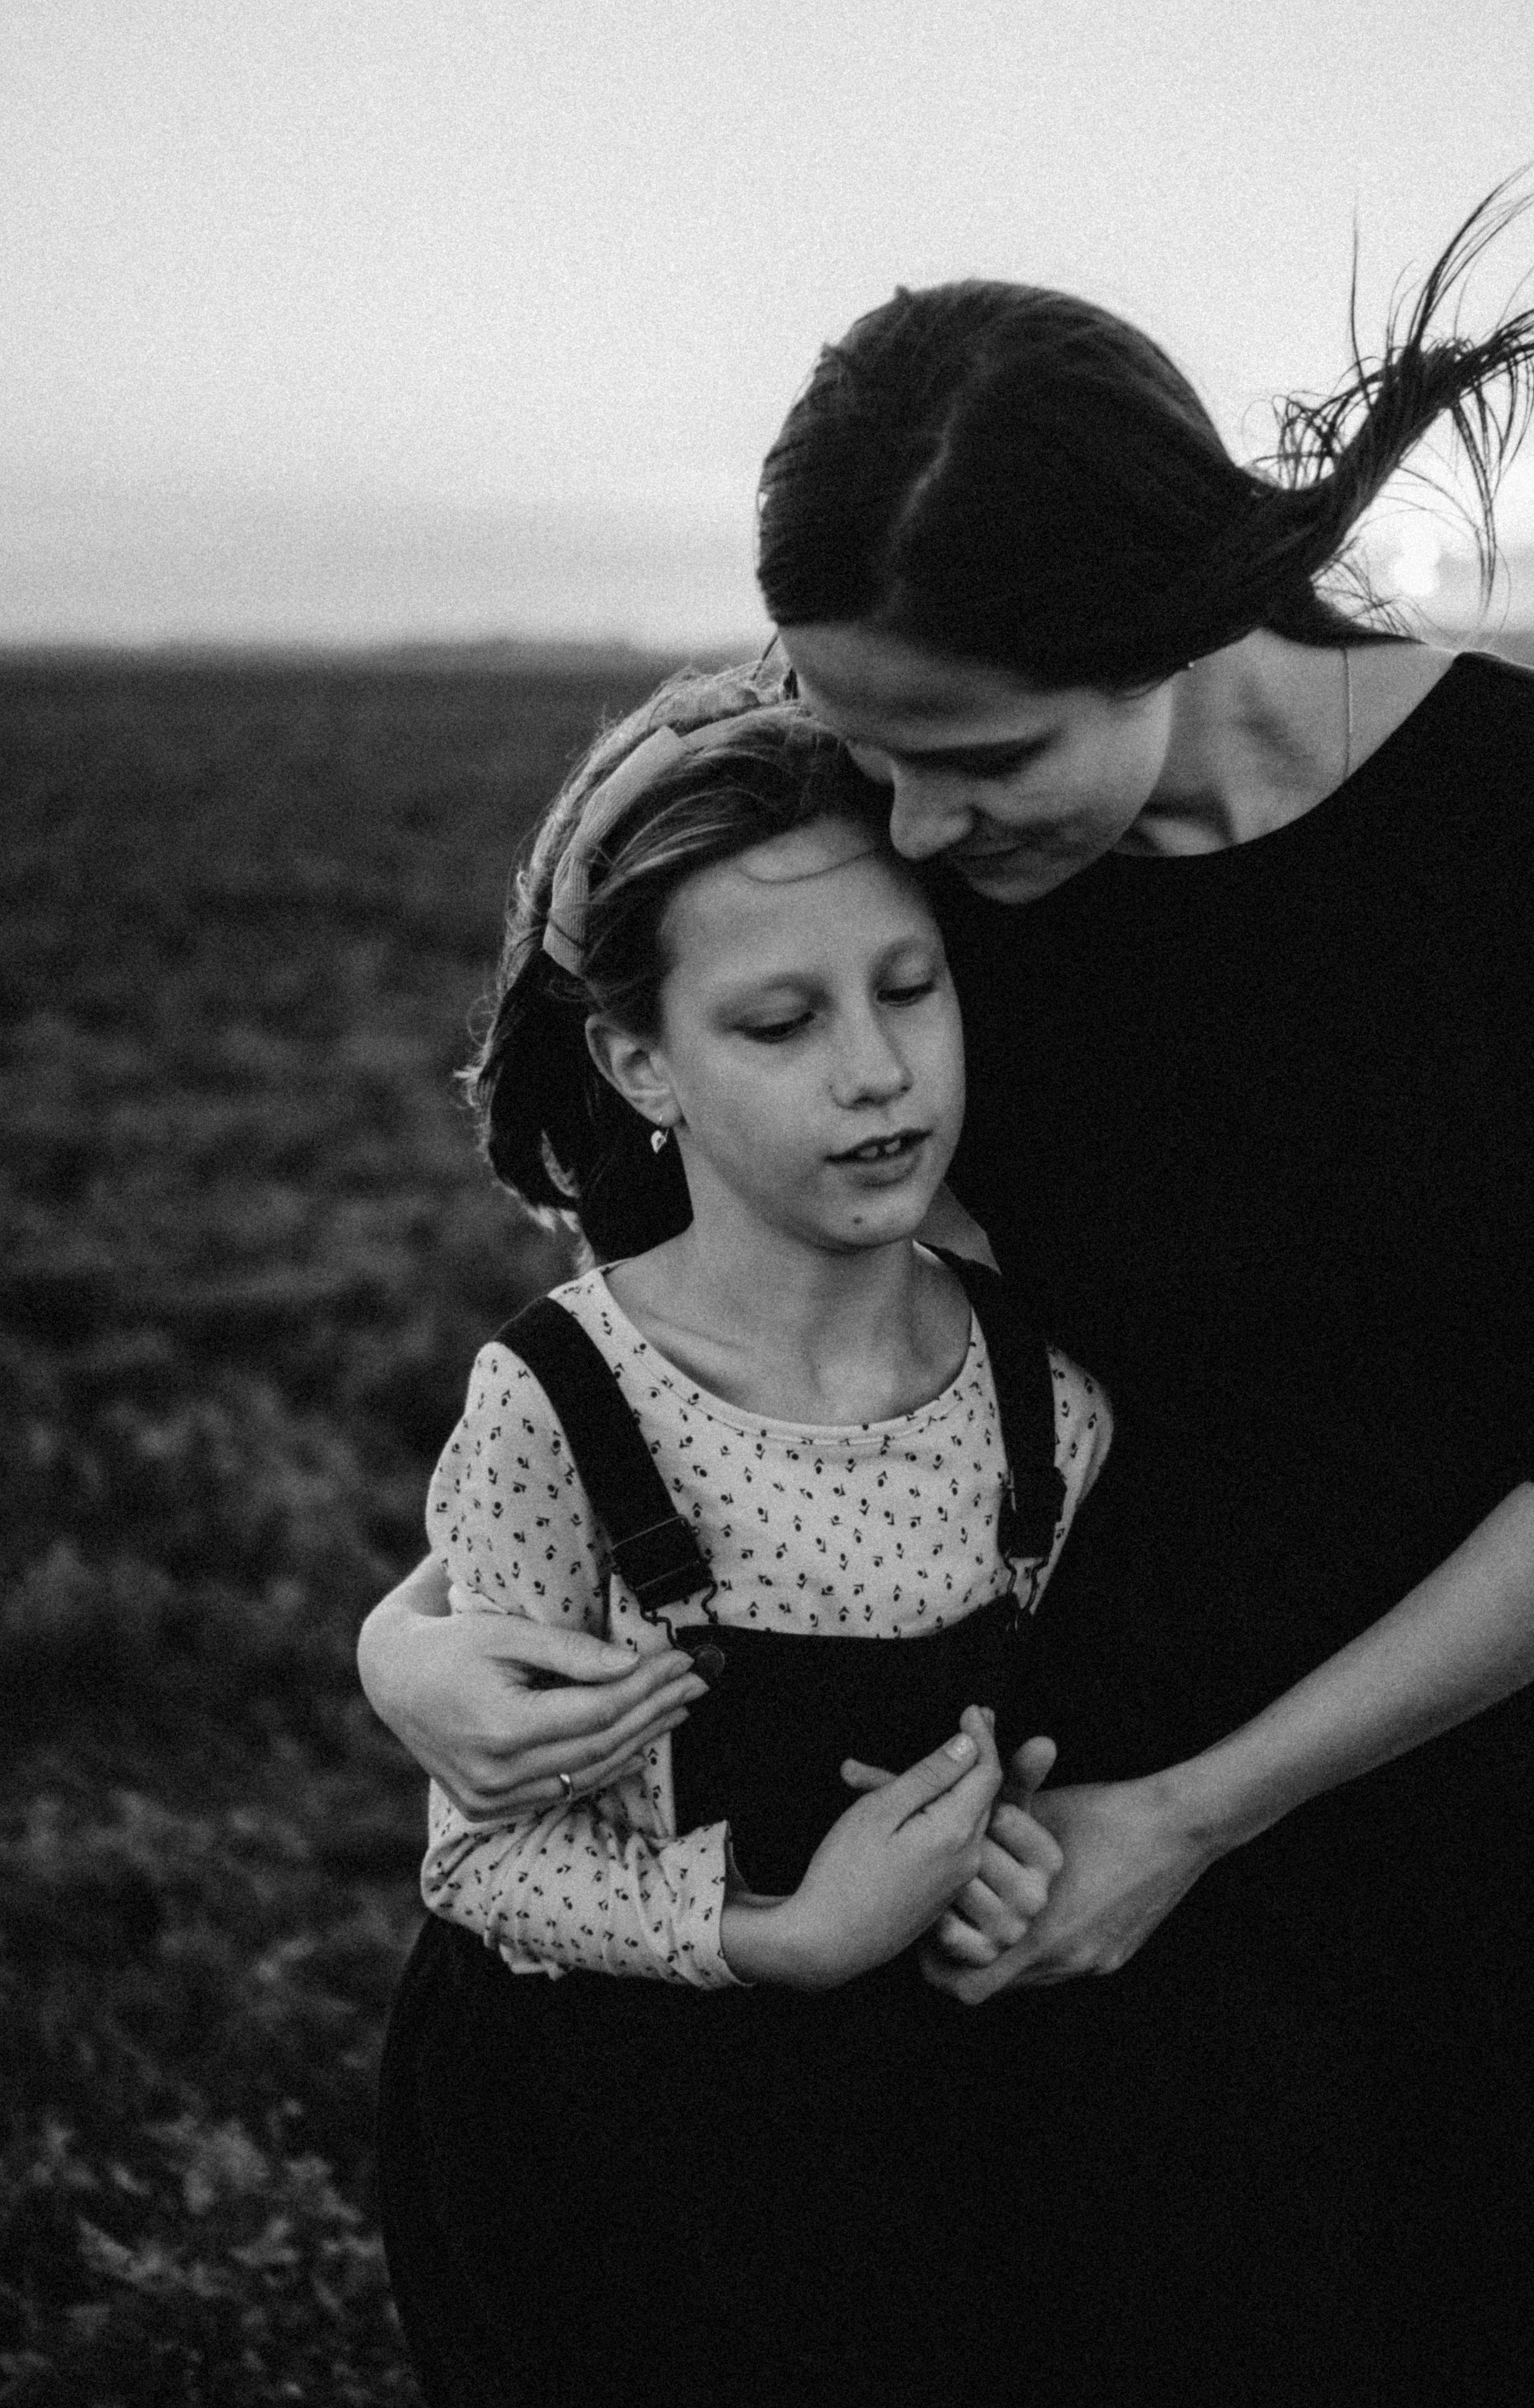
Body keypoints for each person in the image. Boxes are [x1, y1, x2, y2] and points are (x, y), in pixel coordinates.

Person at [362, 187, 1534, 2400]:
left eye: (983, 759)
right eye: (878, 755)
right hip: (1041, 1865)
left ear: (1177, 617)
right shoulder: (943, 886)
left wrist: (1210, 1807)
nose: (916, 830)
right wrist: (414, 1642)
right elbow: (689, 1324)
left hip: (1493, 1829)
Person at [373, 667, 1111, 2408]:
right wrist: (785, 1934)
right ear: (642, 1060)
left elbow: (1010, 1759)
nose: (875, 1074)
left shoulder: (1047, 1405)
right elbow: (475, 1862)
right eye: (780, 1025)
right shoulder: (562, 1400)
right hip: (584, 2161)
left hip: (899, 2158)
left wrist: (1001, 1861)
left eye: (910, 991)